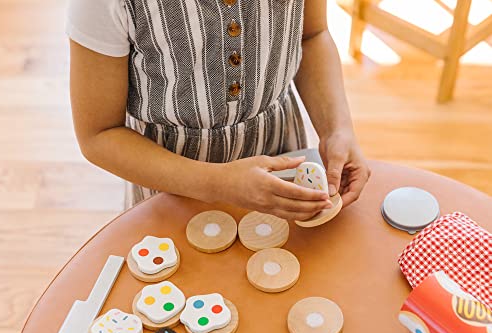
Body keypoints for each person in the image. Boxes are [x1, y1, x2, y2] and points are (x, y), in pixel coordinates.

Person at [67, 0, 370, 220]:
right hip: (169, 181)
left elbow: (311, 35)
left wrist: (336, 129)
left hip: (280, 152)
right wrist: (217, 183)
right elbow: (99, 134)